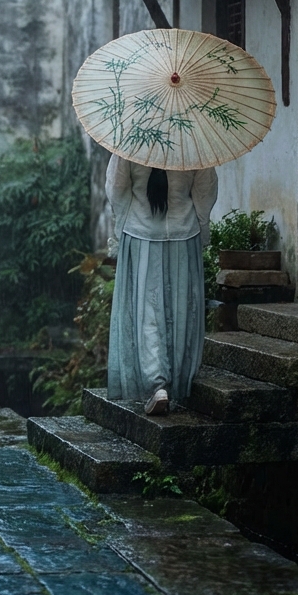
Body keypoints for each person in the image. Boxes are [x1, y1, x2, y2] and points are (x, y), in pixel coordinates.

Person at [105, 154, 218, 416]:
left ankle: (157, 384)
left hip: (140, 233)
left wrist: (120, 229)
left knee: (147, 312)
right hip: (184, 235)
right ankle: (177, 381)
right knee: (180, 310)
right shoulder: (193, 142)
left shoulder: (130, 142)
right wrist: (201, 227)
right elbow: (205, 191)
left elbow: (117, 188)